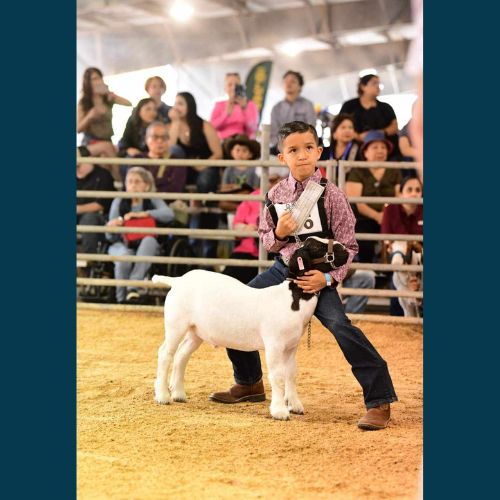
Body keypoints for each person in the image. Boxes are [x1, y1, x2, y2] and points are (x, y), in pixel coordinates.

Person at [210, 121, 397, 431]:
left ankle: (379, 400)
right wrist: (280, 234)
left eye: (308, 148)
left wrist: (327, 280)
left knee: (341, 326)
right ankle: (249, 383)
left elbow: (348, 246)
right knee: (238, 305)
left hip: (318, 278)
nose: (302, 155)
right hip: (282, 271)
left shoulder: (333, 196)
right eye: (293, 150)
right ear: (283, 157)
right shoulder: (275, 193)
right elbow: (266, 239)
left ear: (319, 152)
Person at [106, 167, 174, 304]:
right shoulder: (119, 201)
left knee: (149, 240)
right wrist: (115, 225)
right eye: (130, 182)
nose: (133, 185)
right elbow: (109, 235)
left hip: (145, 245)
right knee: (124, 257)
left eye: (137, 182)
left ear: (146, 186)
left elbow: (169, 214)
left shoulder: (152, 199)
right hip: (123, 243)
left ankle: (133, 287)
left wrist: (145, 214)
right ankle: (121, 300)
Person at [168, 92, 223, 259]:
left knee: (206, 178)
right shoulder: (172, 126)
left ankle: (199, 205)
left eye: (181, 104)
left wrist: (202, 165)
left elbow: (218, 153)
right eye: (175, 103)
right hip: (184, 170)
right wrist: (175, 122)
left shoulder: (204, 125)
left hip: (206, 166)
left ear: (190, 106)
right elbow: (169, 150)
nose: (177, 107)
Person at [222, 166, 289, 284]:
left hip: (280, 252)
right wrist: (246, 228)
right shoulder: (253, 197)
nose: (275, 184)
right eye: (271, 180)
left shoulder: (291, 197)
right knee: (227, 282)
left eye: (280, 179)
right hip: (248, 251)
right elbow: (237, 224)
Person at [345, 130, 402, 263]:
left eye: (383, 147)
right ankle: (369, 271)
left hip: (391, 215)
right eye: (375, 147)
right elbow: (358, 203)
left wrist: (387, 216)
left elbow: (400, 196)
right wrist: (378, 217)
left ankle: (392, 274)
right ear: (365, 152)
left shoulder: (394, 170)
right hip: (364, 218)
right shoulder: (357, 170)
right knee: (364, 240)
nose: (380, 151)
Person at [381, 175, 423, 317]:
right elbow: (386, 240)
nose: (414, 193)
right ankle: (412, 297)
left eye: (418, 190)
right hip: (397, 255)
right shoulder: (390, 209)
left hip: (420, 257)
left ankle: (409, 313)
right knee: (398, 259)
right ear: (401, 193)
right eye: (409, 189)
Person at [339, 74, 400, 160]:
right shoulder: (349, 106)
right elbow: (339, 125)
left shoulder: (386, 107)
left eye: (379, 84)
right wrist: (357, 136)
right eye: (374, 83)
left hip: (385, 152)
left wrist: (381, 133)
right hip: (355, 151)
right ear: (363, 86)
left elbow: (394, 126)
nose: (378, 87)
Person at [77, 67, 132, 156]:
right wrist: (90, 116)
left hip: (108, 140)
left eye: (99, 78)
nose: (98, 81)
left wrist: (112, 95)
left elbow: (129, 104)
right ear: (88, 83)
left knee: (109, 154)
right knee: (105, 155)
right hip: (91, 142)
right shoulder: (84, 102)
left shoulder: (108, 98)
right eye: (94, 79)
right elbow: (78, 129)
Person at [77, 147, 115, 255]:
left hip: (98, 217)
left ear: (89, 159)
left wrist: (78, 209)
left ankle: (89, 260)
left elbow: (102, 204)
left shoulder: (103, 175)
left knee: (89, 219)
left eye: (78, 166)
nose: (77, 170)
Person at [132, 121, 187, 193]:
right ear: (146, 139)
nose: (160, 141)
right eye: (155, 137)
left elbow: (175, 189)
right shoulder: (137, 159)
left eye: (164, 137)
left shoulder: (177, 163)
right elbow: (131, 185)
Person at [270, 70, 316, 154]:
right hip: (281, 150)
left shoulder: (308, 105)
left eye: (293, 81)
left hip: (303, 149)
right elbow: (273, 133)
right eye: (286, 81)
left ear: (300, 86)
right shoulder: (276, 108)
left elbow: (311, 129)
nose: (288, 84)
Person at [210, 72, 259, 141]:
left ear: (241, 86)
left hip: (244, 142)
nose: (233, 88)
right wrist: (226, 114)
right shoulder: (219, 105)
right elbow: (212, 127)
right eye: (230, 85)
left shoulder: (250, 105)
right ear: (225, 88)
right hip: (224, 142)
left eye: (236, 85)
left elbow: (253, 128)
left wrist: (245, 109)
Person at [219, 134, 261, 213]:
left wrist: (242, 189)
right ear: (232, 153)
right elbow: (224, 188)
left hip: (248, 196)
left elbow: (256, 188)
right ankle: (242, 209)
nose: (240, 153)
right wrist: (235, 188)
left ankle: (243, 209)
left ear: (250, 154)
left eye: (244, 151)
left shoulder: (254, 169)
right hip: (232, 197)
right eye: (237, 150)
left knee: (249, 195)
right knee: (222, 203)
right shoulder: (228, 170)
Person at [319, 113, 361, 178]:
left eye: (350, 127)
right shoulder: (323, 152)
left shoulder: (359, 151)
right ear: (334, 133)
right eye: (343, 127)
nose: (347, 131)